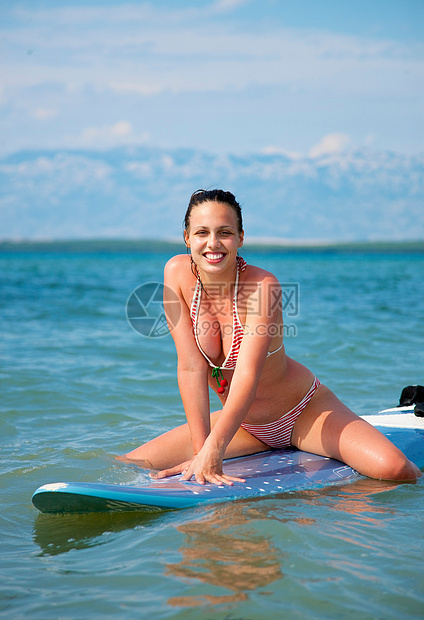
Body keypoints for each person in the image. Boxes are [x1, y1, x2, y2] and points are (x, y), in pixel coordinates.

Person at [123, 189, 421, 486]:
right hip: (243, 425)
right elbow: (190, 368)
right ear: (187, 238)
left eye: (224, 232)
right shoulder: (176, 274)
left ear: (240, 238)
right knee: (128, 464)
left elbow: (247, 374)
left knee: (396, 469)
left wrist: (215, 449)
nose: (213, 243)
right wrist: (202, 452)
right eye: (202, 232)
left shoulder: (263, 287)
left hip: (303, 415)